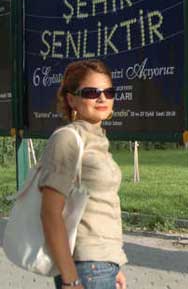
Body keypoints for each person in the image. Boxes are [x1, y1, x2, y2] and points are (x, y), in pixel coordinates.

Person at [39, 59, 127, 289]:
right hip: (86, 267)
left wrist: (114, 263)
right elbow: (50, 213)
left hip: (103, 264)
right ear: (71, 99)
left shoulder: (98, 138)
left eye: (109, 92)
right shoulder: (67, 138)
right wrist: (71, 279)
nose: (102, 98)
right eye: (91, 92)